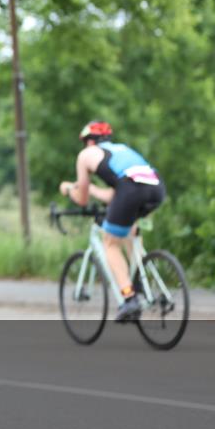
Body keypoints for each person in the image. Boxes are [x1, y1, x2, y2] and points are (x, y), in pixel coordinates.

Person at [59, 121, 165, 322]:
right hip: (156, 188)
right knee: (129, 232)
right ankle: (139, 280)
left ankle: (129, 297)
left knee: (110, 243)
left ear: (89, 141)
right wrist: (91, 189)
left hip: (130, 190)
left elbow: (81, 200)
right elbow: (113, 196)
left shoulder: (85, 155)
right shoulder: (122, 150)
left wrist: (67, 189)